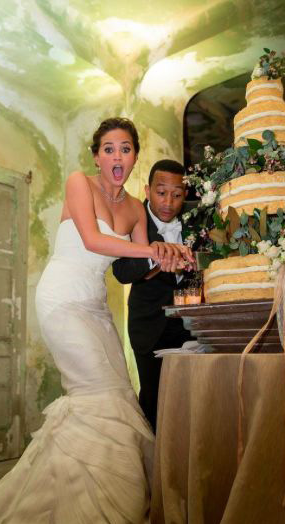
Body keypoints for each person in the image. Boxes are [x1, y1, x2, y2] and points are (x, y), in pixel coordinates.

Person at [0, 118, 193, 524]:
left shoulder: (138, 209)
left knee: (119, 401)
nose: (117, 157)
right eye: (108, 149)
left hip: (97, 308)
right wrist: (154, 249)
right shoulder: (80, 183)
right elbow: (96, 242)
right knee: (95, 400)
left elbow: (127, 270)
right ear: (97, 156)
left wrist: (167, 257)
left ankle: (98, 518)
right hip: (61, 301)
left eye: (126, 149)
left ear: (134, 156)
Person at [113, 160, 194, 432]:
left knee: (190, 399)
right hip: (150, 325)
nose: (168, 202)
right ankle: (156, 464)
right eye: (161, 192)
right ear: (147, 191)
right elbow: (122, 271)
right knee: (154, 399)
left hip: (191, 325)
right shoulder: (135, 219)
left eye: (177, 194)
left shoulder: (197, 221)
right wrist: (154, 257)